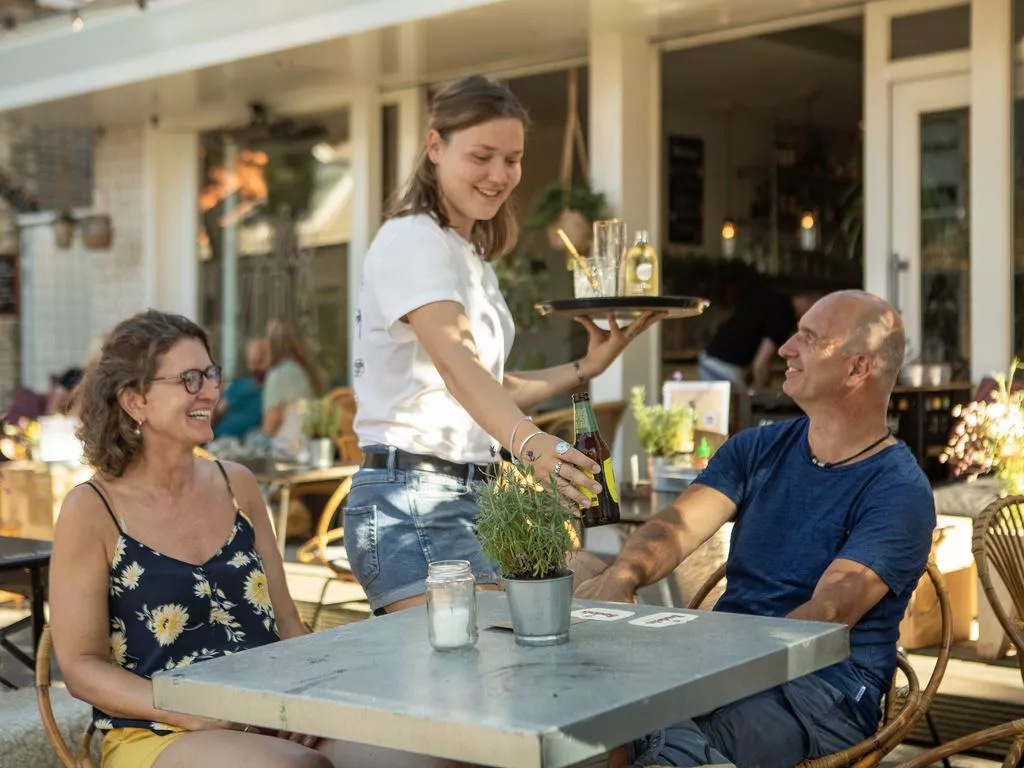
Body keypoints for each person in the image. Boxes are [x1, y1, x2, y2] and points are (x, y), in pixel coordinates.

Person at [48, 309, 464, 768]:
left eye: (211, 374)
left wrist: (308, 694)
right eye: (189, 379)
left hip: (270, 713)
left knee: (430, 755)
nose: (210, 391)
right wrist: (187, 712)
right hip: (157, 731)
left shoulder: (237, 485)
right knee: (294, 767)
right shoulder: (92, 509)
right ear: (135, 401)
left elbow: (288, 623)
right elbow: (81, 666)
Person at [574, 290, 936, 768]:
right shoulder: (757, 449)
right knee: (590, 707)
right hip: (730, 662)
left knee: (647, 737)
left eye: (809, 339)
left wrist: (694, 669)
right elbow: (676, 527)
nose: (786, 348)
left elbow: (823, 618)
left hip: (821, 690)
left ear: (857, 369)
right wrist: (623, 575)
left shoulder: (898, 490)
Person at [347, 74, 659, 615]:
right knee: (483, 662)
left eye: (512, 159)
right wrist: (534, 446)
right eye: (481, 156)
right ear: (435, 146)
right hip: (412, 501)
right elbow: (457, 365)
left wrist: (586, 366)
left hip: (473, 498)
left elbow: (490, 386)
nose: (499, 175)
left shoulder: (468, 253)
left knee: (589, 594)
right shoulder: (412, 239)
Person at [699, 289, 818, 390]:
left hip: (708, 360)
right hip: (724, 370)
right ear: (808, 302)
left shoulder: (771, 298)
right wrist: (767, 396)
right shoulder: (784, 314)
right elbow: (761, 365)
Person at [262, 318, 324, 458]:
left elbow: (269, 427)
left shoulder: (278, 375)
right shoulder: (308, 372)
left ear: (273, 343)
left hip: (284, 451)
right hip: (309, 450)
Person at [214, 338, 270, 440]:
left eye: (259, 361)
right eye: (251, 362)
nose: (254, 368)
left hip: (247, 443)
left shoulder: (271, 391)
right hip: (217, 440)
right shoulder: (238, 385)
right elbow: (219, 410)